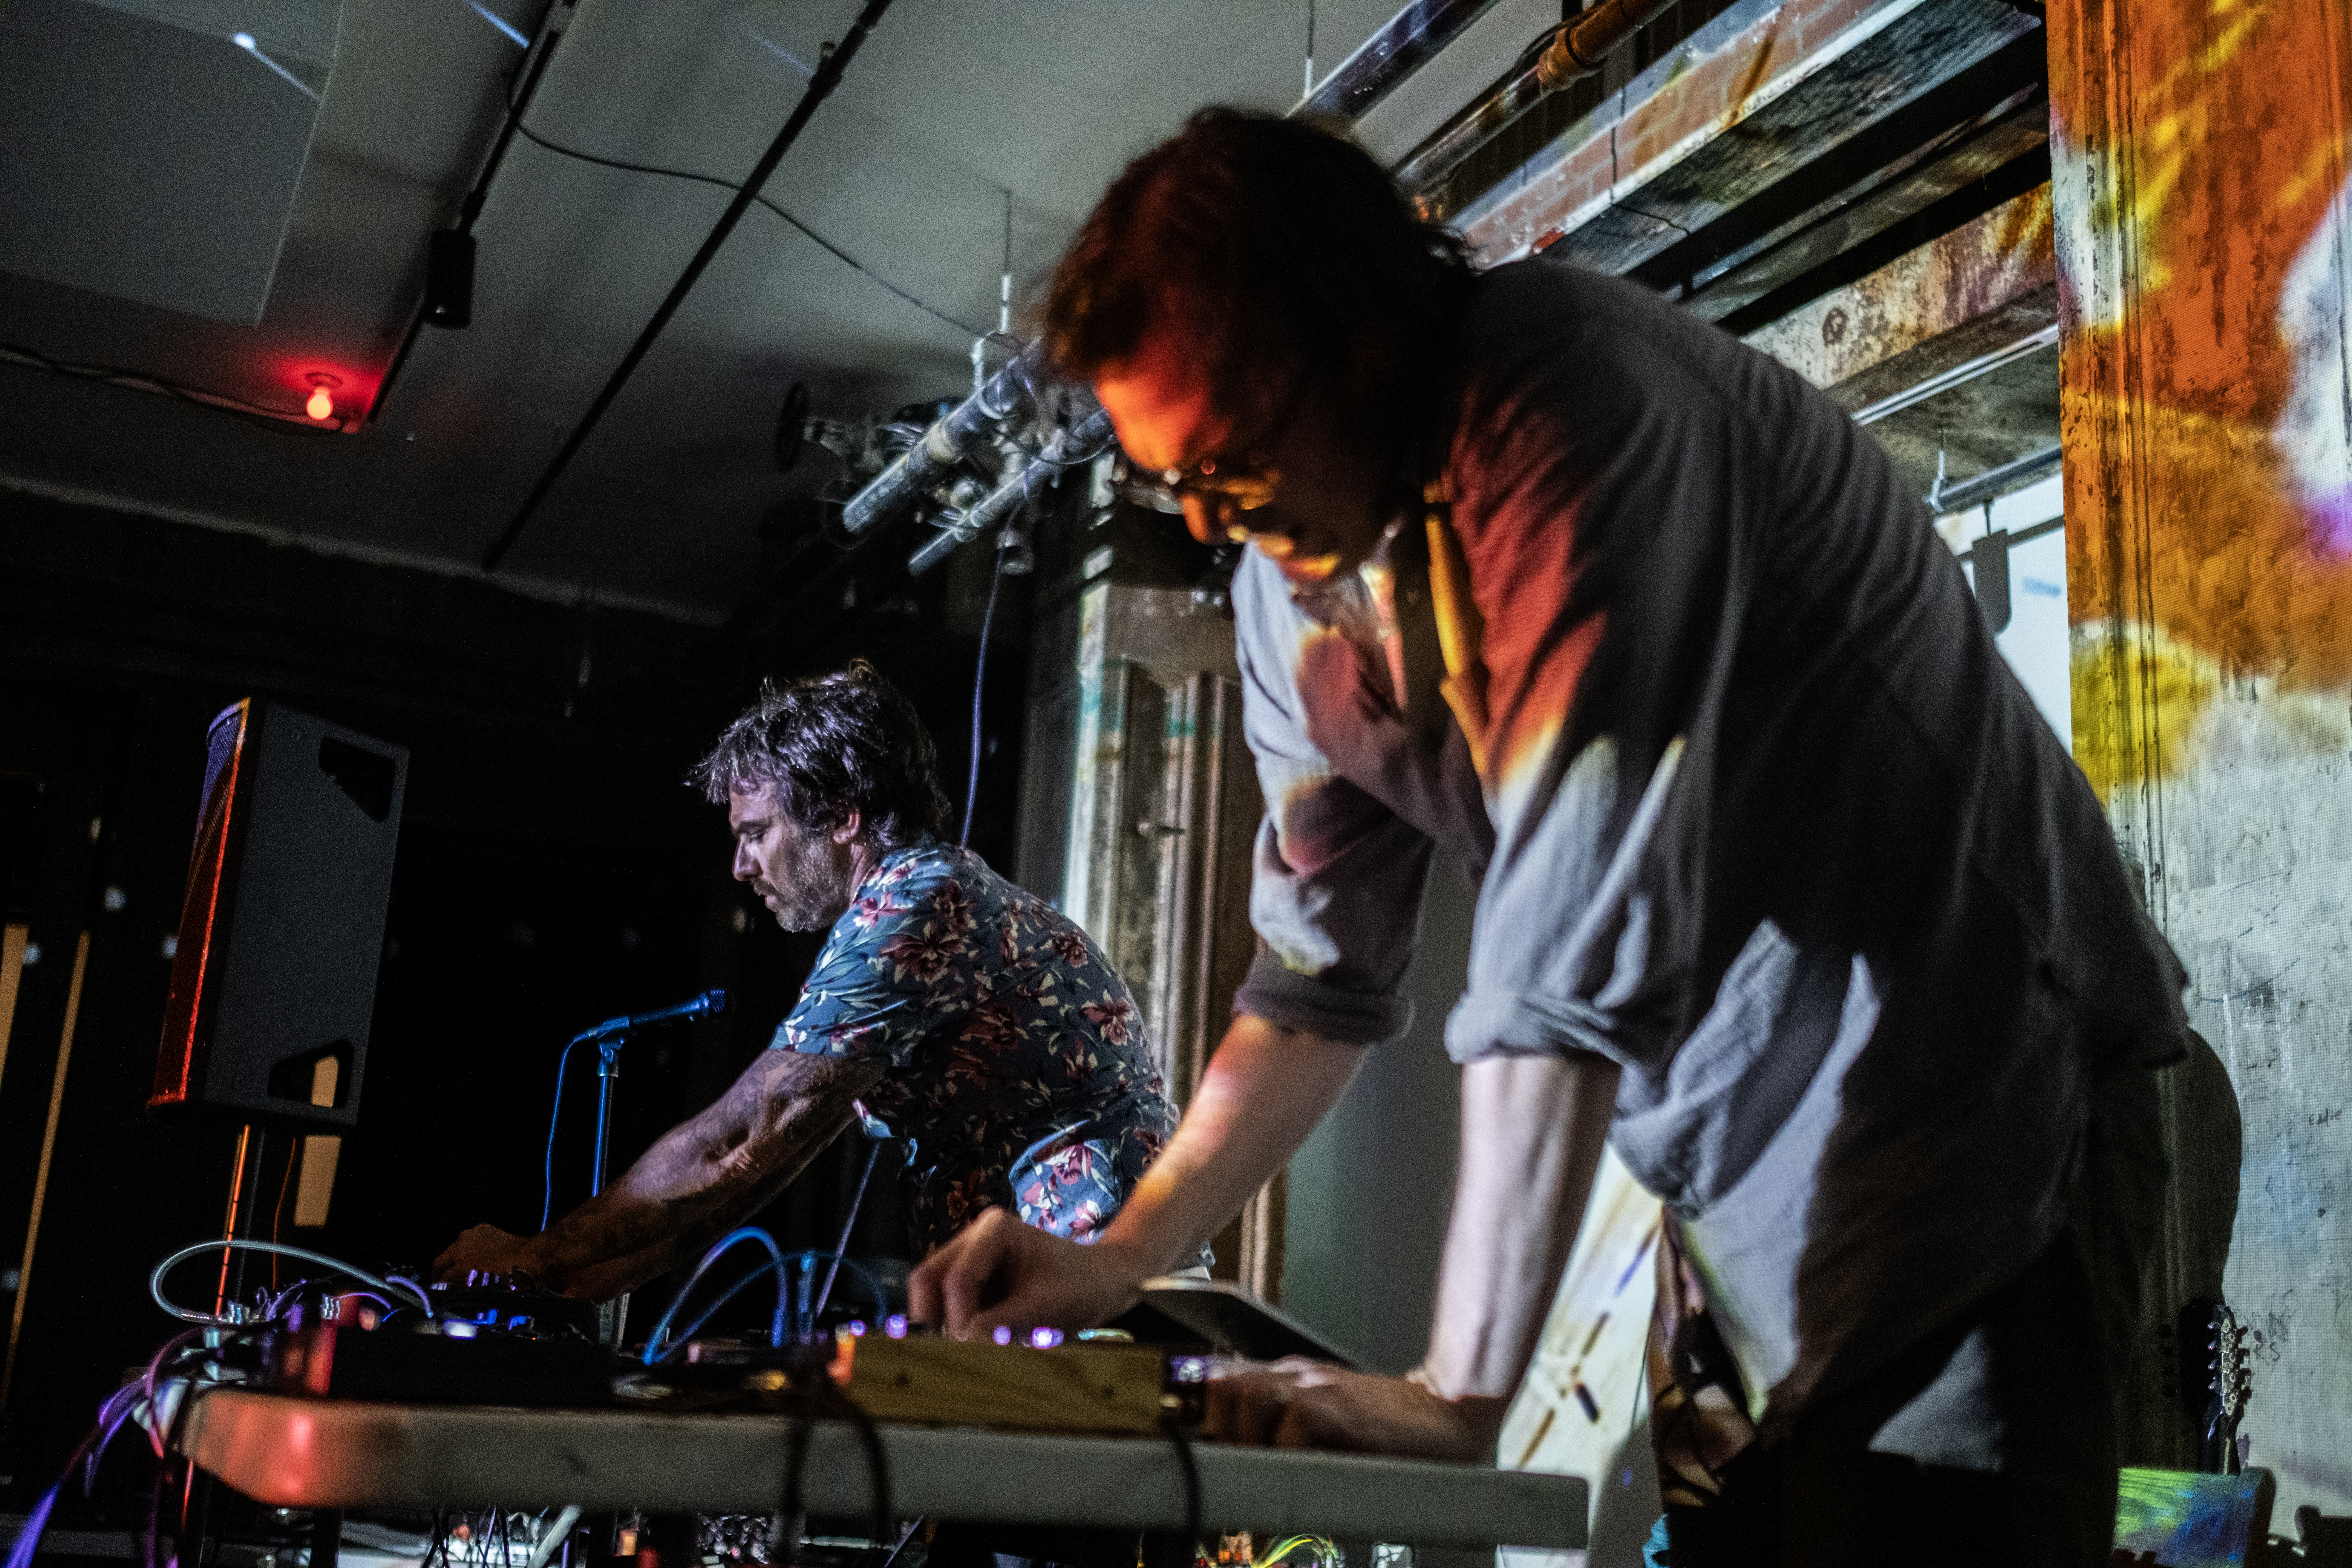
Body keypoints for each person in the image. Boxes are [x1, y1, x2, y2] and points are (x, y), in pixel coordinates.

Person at [910, 110, 2187, 1565]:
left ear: (1363, 342)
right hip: (1740, 1202)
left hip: (1974, 1111)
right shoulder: (1287, 599)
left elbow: (1571, 931)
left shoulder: (1573, 396)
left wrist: (1460, 1394)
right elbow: (1311, 986)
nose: (1211, 517)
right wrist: (1122, 1252)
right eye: (1174, 481)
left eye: (1239, 456)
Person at [435, 661, 1178, 1304]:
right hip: (1062, 1285)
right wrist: (575, 1280)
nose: (740, 865)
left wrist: (527, 1258)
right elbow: (756, 1172)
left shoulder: (917, 903)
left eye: (756, 832)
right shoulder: (914, 906)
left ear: (843, 818)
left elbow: (747, 1133)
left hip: (1093, 1290)